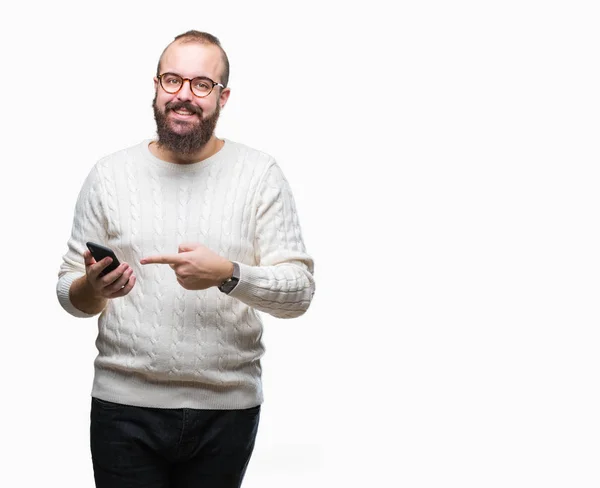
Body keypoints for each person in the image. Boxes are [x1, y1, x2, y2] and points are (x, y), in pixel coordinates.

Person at [56, 30, 315, 488]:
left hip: (227, 411)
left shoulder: (259, 174)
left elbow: (298, 294)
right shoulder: (109, 174)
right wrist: (94, 288)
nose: (184, 95)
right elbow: (69, 295)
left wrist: (229, 275)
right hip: (124, 409)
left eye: (201, 84)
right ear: (155, 86)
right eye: (172, 80)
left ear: (223, 97)